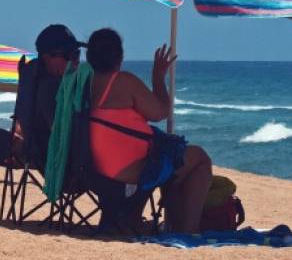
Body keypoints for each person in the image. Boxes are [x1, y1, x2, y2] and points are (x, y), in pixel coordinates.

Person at [87, 28, 213, 233]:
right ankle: (190, 230)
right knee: (199, 158)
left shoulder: (86, 83)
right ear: (119, 56)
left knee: (172, 157)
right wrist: (158, 76)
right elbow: (160, 112)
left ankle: (172, 223)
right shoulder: (122, 81)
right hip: (129, 173)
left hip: (95, 172)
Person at [15, 24, 86, 160]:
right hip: (65, 164)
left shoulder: (41, 82)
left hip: (46, 155)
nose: (76, 60)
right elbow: (63, 136)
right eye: (70, 55)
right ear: (48, 58)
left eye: (77, 53)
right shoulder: (51, 88)